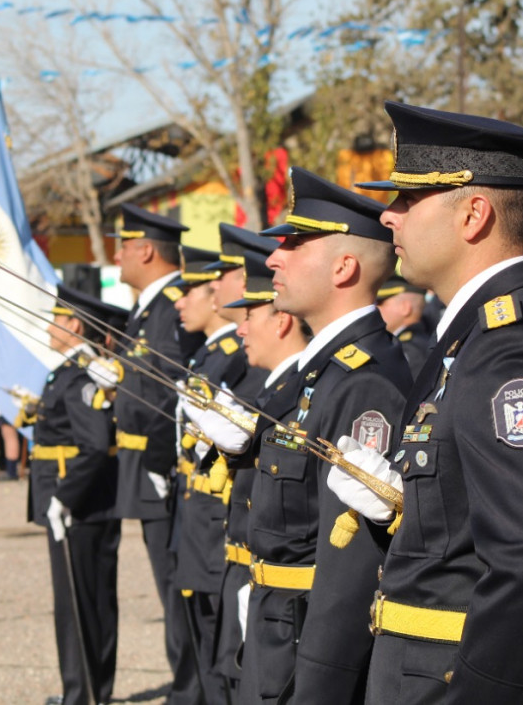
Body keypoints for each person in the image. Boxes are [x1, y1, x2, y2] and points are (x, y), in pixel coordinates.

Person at [330, 100, 523, 703]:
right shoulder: (470, 337)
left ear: (474, 214)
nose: (389, 216)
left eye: (408, 199)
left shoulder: (513, 349)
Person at [188, 166, 411, 704]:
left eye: (296, 243)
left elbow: (353, 563)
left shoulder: (366, 381)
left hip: (305, 643)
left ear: (344, 266)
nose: (272, 259)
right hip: (275, 623)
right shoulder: (318, 373)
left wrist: (320, 679)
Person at [88, 204, 204, 705]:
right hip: (149, 468)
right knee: (170, 588)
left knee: (180, 590)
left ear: (146, 250)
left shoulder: (170, 305)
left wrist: (160, 464)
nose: (115, 255)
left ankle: (190, 692)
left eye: (122, 245)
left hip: (165, 470)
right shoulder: (148, 308)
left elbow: (168, 395)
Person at [19, 284, 126, 705]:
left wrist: (65, 497)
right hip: (74, 498)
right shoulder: (66, 371)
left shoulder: (81, 373)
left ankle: (82, 694)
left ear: (74, 325)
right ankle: (90, 689)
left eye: (55, 318)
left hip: (77, 503)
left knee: (79, 601)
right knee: (88, 596)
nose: (49, 325)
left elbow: (95, 444)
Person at [210, 248, 309, 699]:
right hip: (262, 582)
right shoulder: (277, 388)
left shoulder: (306, 387)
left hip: (293, 604)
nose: (241, 328)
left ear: (282, 321)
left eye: (251, 315)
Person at [171, 242, 264, 704]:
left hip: (225, 523)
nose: (218, 288)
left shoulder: (238, 353)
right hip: (203, 512)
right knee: (211, 648)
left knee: (228, 661)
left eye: (219, 278)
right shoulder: (222, 351)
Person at [376, 276, 432, 378]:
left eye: (381, 303)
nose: (376, 308)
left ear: (405, 308)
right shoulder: (422, 342)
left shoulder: (409, 350)